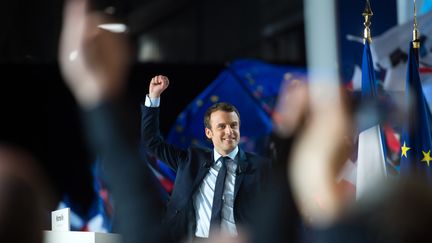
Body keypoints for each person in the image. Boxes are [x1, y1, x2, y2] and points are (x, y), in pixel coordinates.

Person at [141, 75, 271, 242]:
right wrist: (154, 97)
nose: (229, 131)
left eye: (233, 125)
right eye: (221, 126)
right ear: (209, 133)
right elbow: (151, 142)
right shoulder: (190, 161)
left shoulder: (261, 167)